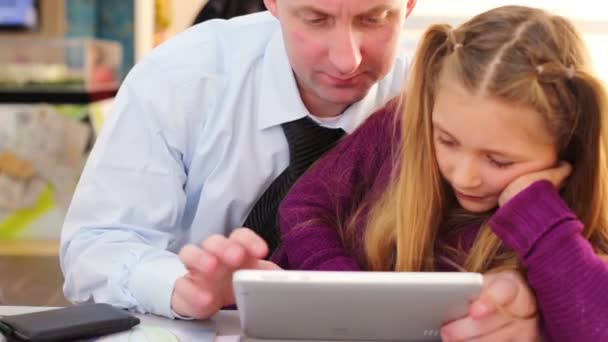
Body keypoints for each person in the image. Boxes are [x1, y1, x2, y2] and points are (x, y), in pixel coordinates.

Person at [191, 5, 608, 340]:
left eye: (500, 162)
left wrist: (539, 216)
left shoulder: (574, 231)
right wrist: (352, 293)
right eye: (446, 140)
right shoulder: (401, 126)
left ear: (570, 148)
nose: (465, 176)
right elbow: (306, 205)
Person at [60, 0, 417, 319]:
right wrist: (180, 288)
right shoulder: (179, 78)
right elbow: (96, 247)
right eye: (316, 19)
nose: (346, 60)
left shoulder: (435, 98)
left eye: (374, 19)